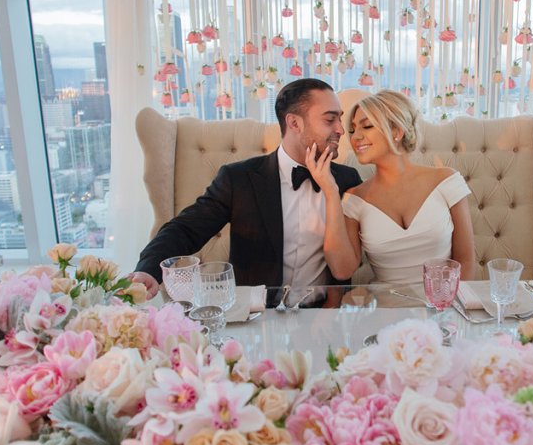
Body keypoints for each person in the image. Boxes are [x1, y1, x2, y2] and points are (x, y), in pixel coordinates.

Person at [128, 78, 363, 298]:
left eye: (339, 119)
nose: (340, 129)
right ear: (294, 123)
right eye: (330, 119)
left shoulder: (347, 180)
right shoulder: (238, 179)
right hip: (258, 317)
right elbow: (186, 229)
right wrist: (149, 269)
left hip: (325, 317)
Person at [306, 89, 476, 285]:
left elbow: (466, 262)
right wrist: (330, 192)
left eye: (367, 126)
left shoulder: (446, 181)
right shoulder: (354, 199)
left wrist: (447, 309)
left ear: (396, 131)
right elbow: (342, 270)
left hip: (442, 307)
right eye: (353, 130)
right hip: (386, 311)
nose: (355, 137)